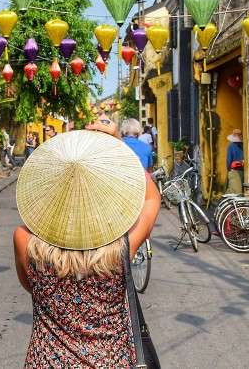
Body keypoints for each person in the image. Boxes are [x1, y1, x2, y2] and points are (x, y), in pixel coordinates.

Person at [13, 122, 161, 367]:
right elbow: (151, 196)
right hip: (113, 362)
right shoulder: (121, 249)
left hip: (47, 361)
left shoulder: (23, 239)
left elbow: (30, 286)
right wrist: (116, 145)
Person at [226, 129, 244, 195]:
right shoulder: (243, 146)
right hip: (240, 170)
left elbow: (228, 161)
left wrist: (229, 169)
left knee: (235, 191)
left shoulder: (231, 146)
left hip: (235, 171)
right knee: (238, 192)